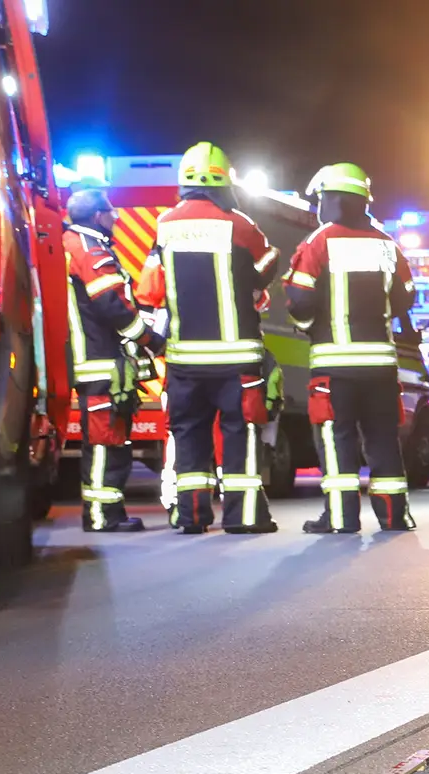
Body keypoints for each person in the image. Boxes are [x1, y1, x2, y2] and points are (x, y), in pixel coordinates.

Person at [134, 142, 281, 534]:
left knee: (189, 436)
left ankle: (192, 515)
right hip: (237, 360)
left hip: (185, 362)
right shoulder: (241, 224)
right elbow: (268, 263)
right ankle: (244, 516)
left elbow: (148, 291)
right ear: (224, 182)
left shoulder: (165, 226)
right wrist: (250, 284)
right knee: (238, 433)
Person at [284, 163, 417, 533]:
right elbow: (407, 297)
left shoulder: (319, 241)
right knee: (382, 439)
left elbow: (297, 298)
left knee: (337, 438)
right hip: (381, 367)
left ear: (331, 199)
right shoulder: (386, 244)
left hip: (334, 365)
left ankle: (341, 519)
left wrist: (311, 326)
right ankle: (395, 517)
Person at [64, 185, 162, 531]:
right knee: (106, 441)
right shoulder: (89, 248)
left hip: (95, 362)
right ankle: (102, 515)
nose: (116, 218)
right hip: (100, 362)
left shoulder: (73, 244)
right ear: (96, 216)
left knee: (110, 439)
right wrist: (151, 339)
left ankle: (109, 512)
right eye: (110, 212)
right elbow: (112, 305)